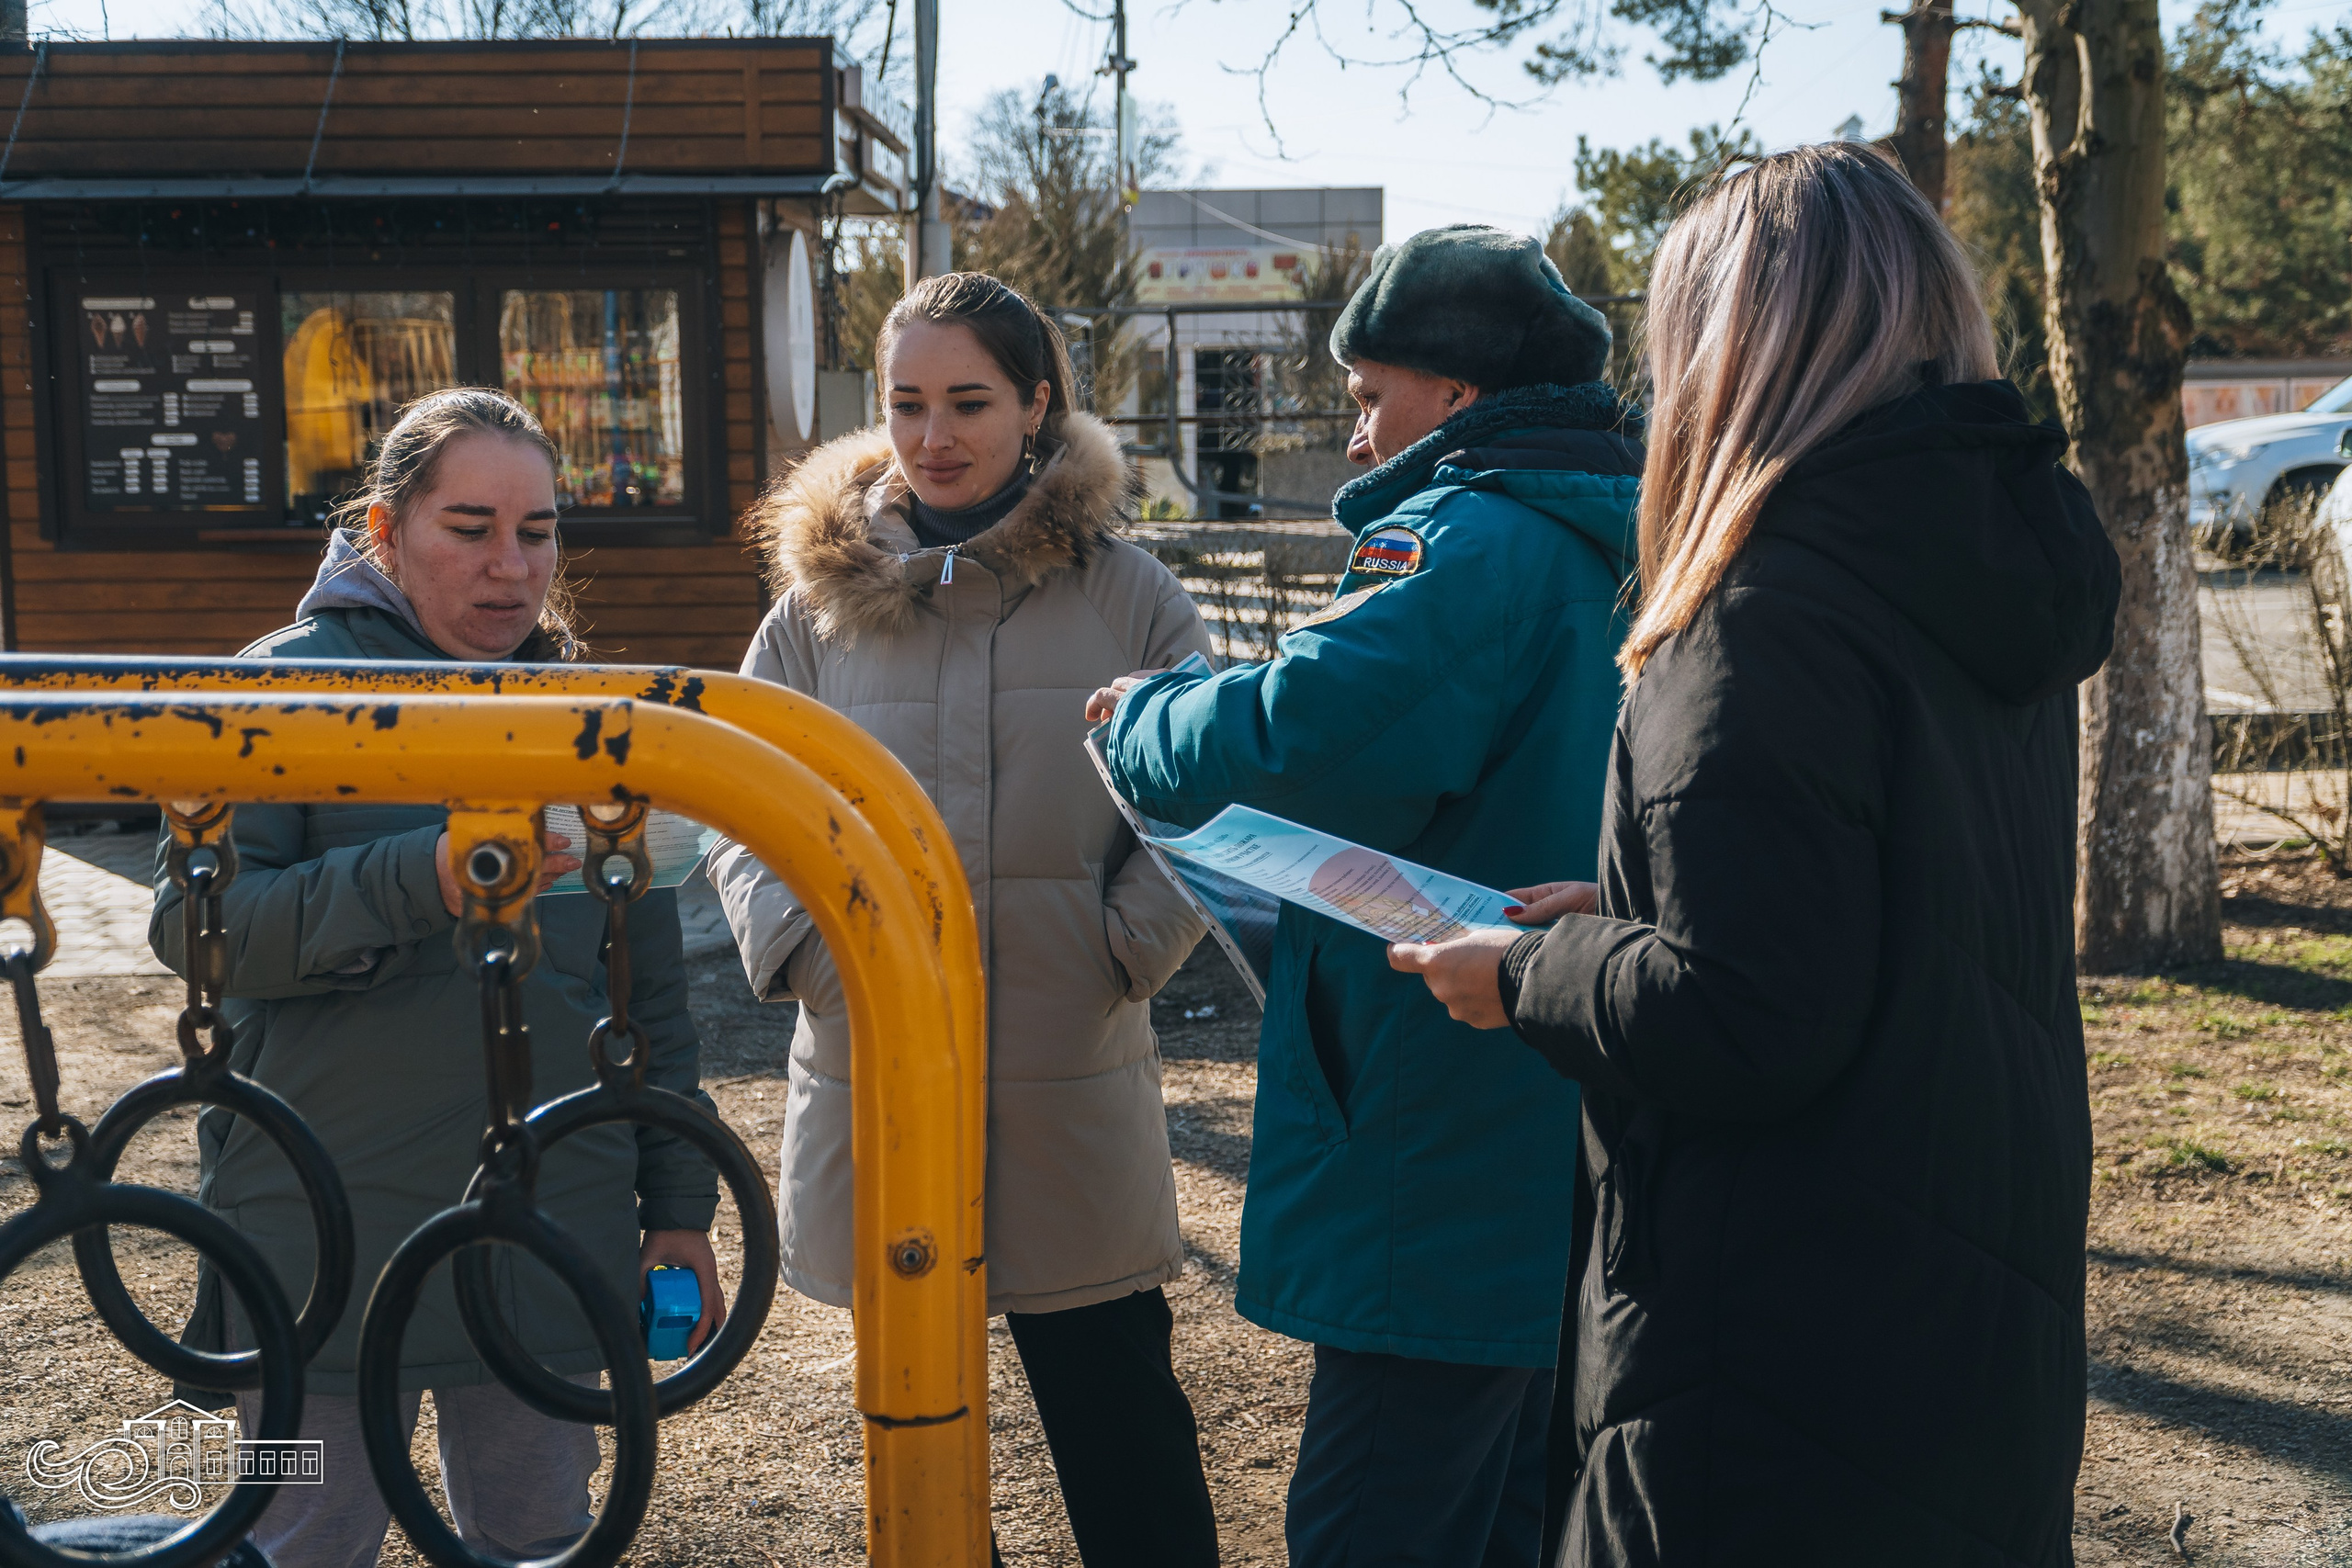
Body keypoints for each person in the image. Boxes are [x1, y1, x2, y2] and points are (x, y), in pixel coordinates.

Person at [1391, 142, 2121, 1565]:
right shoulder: (1972, 567)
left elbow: (1747, 1012)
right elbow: (1894, 884)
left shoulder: (1766, 603)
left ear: (1727, 335)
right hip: (1965, 1292)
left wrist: (1532, 970)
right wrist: (1638, 899)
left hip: (1776, 1348)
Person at [1086, 224, 1642, 1567]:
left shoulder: (1464, 539)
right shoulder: (1610, 533)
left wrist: (1140, 715)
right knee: (1509, 1497)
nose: (1353, 436)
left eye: (1368, 396)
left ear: (1455, 392)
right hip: (1559, 1078)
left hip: (1434, 1097)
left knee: (1373, 1514)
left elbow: (1299, 734)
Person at [150, 388, 725, 1568]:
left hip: (548, 1225)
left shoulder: (597, 717)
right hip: (313, 1244)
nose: (511, 566)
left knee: (541, 1541)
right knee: (293, 1539)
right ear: (382, 531)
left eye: (539, 529)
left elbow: (647, 1001)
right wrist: (423, 875)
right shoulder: (278, 694)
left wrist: (678, 1209)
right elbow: (202, 934)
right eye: (469, 528)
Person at [706, 271, 1219, 1565]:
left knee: (1122, 1424)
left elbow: (1210, 790)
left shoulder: (1131, 595)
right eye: (908, 401)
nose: (934, 435)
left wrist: (1124, 945)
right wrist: (815, 949)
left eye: (970, 401)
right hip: (878, 1061)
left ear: (1038, 403)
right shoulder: (817, 604)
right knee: (916, 1430)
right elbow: (735, 801)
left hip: (1071, 1059)